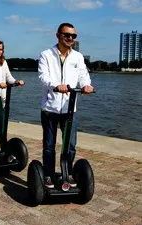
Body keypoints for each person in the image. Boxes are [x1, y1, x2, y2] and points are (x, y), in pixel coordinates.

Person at [38, 23, 94, 188]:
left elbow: (83, 75)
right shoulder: (46, 55)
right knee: (49, 145)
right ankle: (48, 175)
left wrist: (86, 85)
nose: (70, 38)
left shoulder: (77, 57)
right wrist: (56, 85)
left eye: (73, 36)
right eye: (67, 35)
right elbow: (43, 76)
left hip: (70, 109)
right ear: (58, 35)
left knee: (70, 145)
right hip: (50, 108)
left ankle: (67, 173)